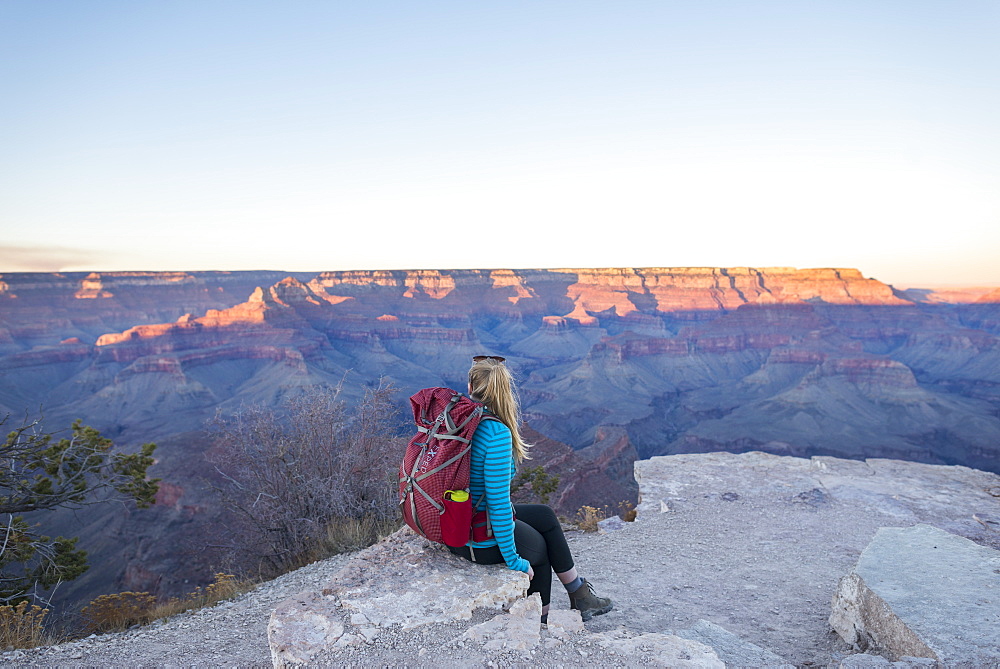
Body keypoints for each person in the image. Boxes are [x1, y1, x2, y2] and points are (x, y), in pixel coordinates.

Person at [447, 355, 613, 623]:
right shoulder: (495, 433)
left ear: (470, 387)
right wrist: (515, 561)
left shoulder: (456, 420)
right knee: (539, 552)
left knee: (545, 516)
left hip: (454, 525)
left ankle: (579, 594)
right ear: (505, 389)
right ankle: (540, 623)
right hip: (475, 539)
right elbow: (499, 504)